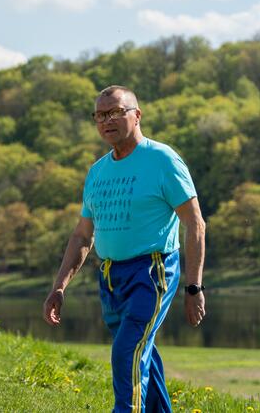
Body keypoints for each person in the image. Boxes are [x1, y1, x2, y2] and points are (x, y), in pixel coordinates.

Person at [43, 85, 206, 413]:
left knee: (126, 353)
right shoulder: (98, 171)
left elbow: (195, 224)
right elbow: (82, 236)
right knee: (141, 355)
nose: (107, 121)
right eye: (100, 115)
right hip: (111, 277)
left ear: (137, 115)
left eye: (116, 112)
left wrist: (194, 287)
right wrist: (59, 287)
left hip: (152, 272)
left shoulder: (162, 159)